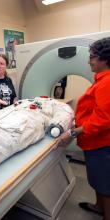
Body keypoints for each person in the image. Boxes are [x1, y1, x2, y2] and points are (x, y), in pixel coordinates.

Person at [57, 37, 110, 220]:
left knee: (106, 184)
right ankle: (98, 207)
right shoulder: (101, 79)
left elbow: (103, 119)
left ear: (105, 58)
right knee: (98, 180)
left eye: (93, 56)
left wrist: (73, 132)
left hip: (101, 144)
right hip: (95, 142)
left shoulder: (107, 82)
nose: (89, 60)